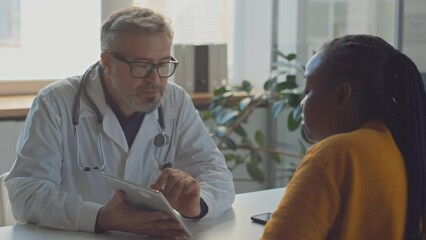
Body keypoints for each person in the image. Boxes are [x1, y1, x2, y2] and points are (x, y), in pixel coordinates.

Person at [5, 7, 235, 238]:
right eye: (141, 65)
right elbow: (27, 193)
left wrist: (197, 204)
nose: (154, 79)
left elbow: (216, 173)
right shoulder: (56, 102)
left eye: (163, 64)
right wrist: (101, 217)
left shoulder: (175, 100)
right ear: (108, 62)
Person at [261, 34, 426, 240]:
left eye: (308, 90)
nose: (302, 103)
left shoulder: (336, 155)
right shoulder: (409, 146)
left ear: (341, 95)